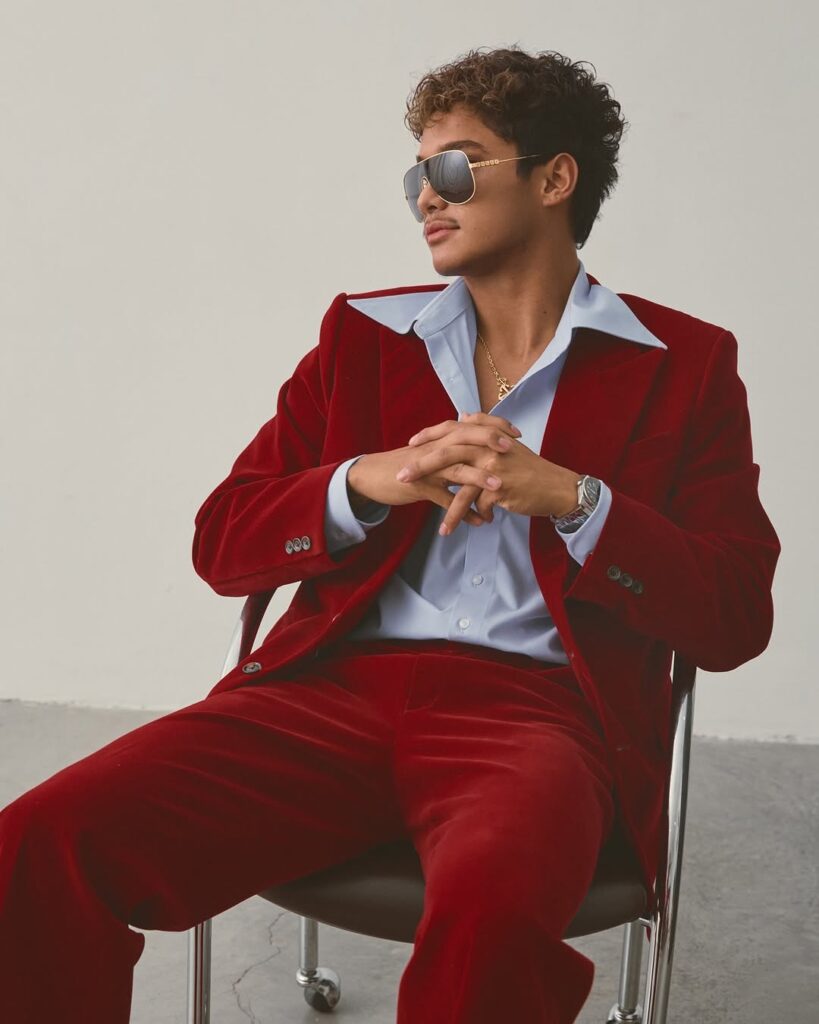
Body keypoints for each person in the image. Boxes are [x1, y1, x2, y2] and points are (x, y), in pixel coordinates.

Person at [0, 45, 781, 1024]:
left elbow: (733, 614)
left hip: (538, 718)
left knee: (491, 924)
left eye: (455, 166)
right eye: (417, 175)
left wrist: (575, 500)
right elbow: (223, 539)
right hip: (328, 692)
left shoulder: (681, 364)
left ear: (554, 179)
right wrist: (364, 483)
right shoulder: (364, 336)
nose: (426, 196)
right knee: (36, 843)